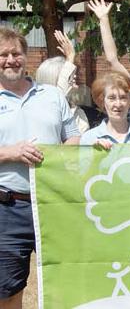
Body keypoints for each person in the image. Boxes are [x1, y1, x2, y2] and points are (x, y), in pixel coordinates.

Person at [0, 27, 80, 309]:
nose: (11, 60)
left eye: (17, 54)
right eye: (4, 55)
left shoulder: (52, 96)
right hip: (8, 207)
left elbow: (73, 138)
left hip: (54, 203)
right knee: (7, 290)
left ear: (26, 57)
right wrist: (11, 152)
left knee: (65, 280)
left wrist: (60, 156)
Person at [35, 30, 90, 133]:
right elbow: (59, 93)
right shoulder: (44, 109)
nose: (74, 78)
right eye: (69, 76)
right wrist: (70, 57)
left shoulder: (77, 111)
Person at [80, 72, 130, 148]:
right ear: (102, 101)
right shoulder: (89, 139)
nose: (118, 104)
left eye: (123, 98)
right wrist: (94, 153)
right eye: (112, 98)